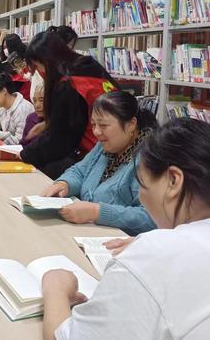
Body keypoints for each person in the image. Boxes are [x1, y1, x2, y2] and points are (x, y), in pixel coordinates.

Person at [42, 118, 210, 340]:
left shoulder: (157, 254)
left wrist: (56, 290)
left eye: (142, 183)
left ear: (173, 181)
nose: (97, 131)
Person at [41, 91, 157, 235]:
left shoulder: (149, 159)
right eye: (93, 124)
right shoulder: (105, 146)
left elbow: (151, 218)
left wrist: (97, 212)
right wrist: (64, 184)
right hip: (87, 233)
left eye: (103, 125)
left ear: (131, 124)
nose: (96, 131)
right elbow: (80, 171)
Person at [19, 30, 119, 179]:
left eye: (38, 66)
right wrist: (49, 124)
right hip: (119, 148)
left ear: (47, 61)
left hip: (99, 156)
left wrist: (25, 154)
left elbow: (60, 141)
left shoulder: (67, 85)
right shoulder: (90, 67)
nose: (39, 72)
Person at [0, 33, 32, 101]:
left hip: (23, 96)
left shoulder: (26, 61)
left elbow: (24, 80)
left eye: (7, 47)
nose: (5, 50)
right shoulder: (4, 62)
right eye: (4, 47)